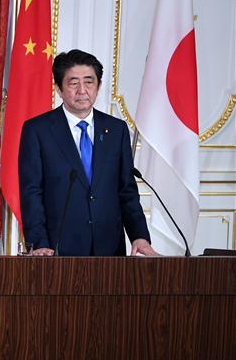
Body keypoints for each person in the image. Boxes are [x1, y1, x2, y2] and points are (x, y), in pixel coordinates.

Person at [19, 49, 159, 256]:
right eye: (73, 83)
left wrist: (139, 236)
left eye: (89, 82)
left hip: (109, 249)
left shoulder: (116, 130)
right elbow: (31, 193)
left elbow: (126, 190)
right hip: (56, 250)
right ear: (58, 88)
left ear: (99, 86)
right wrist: (39, 243)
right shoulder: (38, 130)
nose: (82, 90)